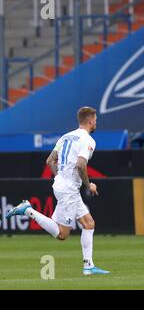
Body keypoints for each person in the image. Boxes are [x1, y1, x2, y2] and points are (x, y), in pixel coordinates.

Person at [6, 106, 110, 276]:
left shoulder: (65, 136)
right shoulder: (88, 140)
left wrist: (61, 176)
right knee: (62, 234)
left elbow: (49, 161)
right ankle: (28, 210)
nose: (96, 122)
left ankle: (88, 266)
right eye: (96, 119)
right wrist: (88, 184)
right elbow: (80, 164)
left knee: (89, 223)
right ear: (90, 120)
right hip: (68, 189)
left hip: (63, 185)